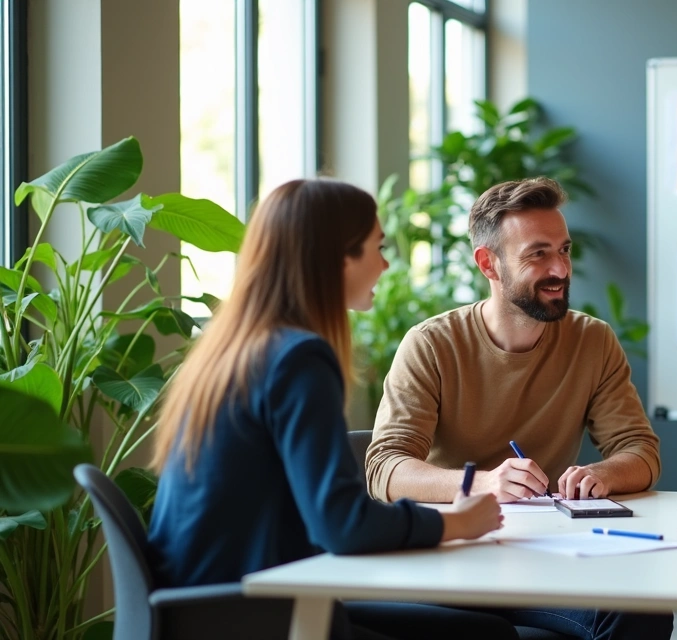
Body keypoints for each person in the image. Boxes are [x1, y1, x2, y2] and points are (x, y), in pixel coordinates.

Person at [148, 179, 516, 640]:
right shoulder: (297, 358)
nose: (385, 263)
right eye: (376, 248)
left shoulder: (235, 348)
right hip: (252, 613)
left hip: (206, 602)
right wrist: (455, 522)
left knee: (484, 631)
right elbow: (340, 524)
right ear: (338, 258)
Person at [366, 176, 671, 639]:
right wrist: (484, 483)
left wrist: (603, 474)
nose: (560, 269)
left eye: (564, 250)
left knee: (641, 610)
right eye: (538, 254)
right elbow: (383, 468)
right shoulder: (431, 344)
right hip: (455, 552)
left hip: (546, 555)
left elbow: (640, 452)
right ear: (489, 264)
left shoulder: (592, 340)